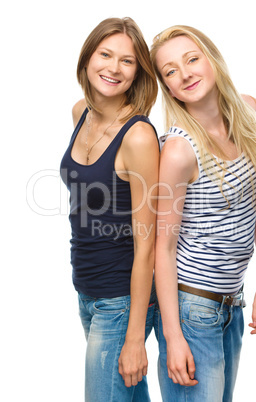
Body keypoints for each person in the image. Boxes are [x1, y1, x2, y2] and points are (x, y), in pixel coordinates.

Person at [150, 25, 256, 402]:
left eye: (192, 59)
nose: (185, 73)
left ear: (213, 60)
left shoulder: (250, 110)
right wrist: (173, 338)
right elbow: (164, 247)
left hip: (230, 305)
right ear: (168, 89)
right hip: (192, 311)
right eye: (171, 71)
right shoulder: (178, 151)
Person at [60, 17, 159, 402]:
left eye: (127, 61)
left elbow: (148, 242)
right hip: (86, 287)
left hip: (120, 299)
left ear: (137, 73)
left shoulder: (137, 135)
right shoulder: (79, 112)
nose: (113, 68)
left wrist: (135, 336)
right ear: (88, 58)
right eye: (105, 54)